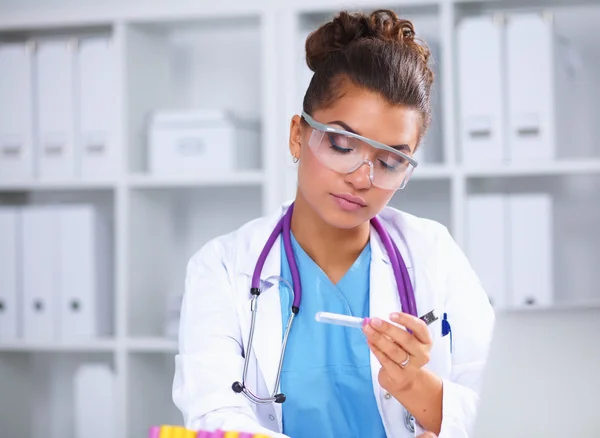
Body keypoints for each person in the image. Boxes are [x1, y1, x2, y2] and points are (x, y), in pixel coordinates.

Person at [172, 9, 495, 438]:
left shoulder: (433, 254)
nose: (363, 178)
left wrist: (412, 384)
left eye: (390, 160)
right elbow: (212, 416)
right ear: (297, 135)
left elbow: (500, 412)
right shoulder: (223, 267)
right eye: (341, 145)